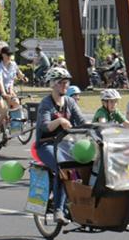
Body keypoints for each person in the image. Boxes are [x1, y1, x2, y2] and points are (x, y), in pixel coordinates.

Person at [34, 67, 89, 224]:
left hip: (66, 144)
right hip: (47, 145)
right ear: (53, 84)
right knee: (62, 169)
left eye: (67, 82)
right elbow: (44, 126)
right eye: (62, 82)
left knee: (89, 164)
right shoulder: (46, 103)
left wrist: (94, 127)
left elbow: (81, 120)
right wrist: (59, 121)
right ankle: (58, 210)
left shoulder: (70, 101)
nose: (66, 85)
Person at [0, 45, 20, 127]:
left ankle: (10, 121)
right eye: (8, 54)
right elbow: (0, 82)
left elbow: (12, 79)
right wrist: (4, 94)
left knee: (16, 103)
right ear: (3, 55)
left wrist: (10, 91)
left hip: (7, 88)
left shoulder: (13, 64)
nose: (10, 56)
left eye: (11, 54)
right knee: (3, 112)